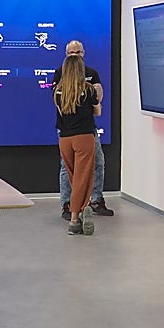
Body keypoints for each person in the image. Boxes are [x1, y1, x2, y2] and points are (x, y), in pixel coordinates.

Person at [55, 40, 113, 220]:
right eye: (71, 53)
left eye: (78, 52)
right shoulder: (60, 75)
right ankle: (69, 204)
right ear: (66, 55)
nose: (75, 56)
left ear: (84, 53)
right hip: (70, 131)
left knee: (97, 163)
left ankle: (95, 200)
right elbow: (96, 108)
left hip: (85, 131)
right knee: (68, 169)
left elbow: (97, 99)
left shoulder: (92, 74)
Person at [54, 53, 102, 236]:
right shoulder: (89, 90)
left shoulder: (58, 91)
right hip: (84, 137)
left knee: (74, 177)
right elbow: (97, 111)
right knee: (83, 177)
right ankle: (76, 217)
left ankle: (81, 209)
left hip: (65, 138)